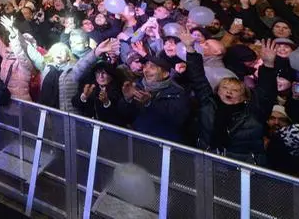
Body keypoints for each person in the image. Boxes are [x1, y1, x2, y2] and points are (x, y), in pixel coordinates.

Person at [182, 32, 277, 165]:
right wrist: (190, 49)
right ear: (217, 90)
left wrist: (268, 65)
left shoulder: (253, 112)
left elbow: (266, 93)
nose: (229, 91)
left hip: (242, 167)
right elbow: (198, 78)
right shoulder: (209, 103)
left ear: (244, 95)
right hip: (206, 160)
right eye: (225, 88)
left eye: (235, 90)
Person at [118, 53, 190, 141]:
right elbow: (125, 117)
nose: (146, 70)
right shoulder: (137, 86)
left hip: (165, 145)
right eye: (145, 66)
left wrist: (150, 103)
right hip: (138, 142)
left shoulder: (177, 92)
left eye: (152, 67)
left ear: (165, 73)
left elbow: (177, 120)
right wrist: (127, 100)